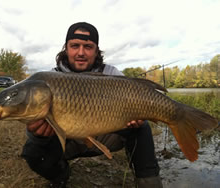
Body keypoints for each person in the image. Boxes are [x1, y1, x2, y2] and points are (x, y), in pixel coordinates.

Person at [21, 22, 163, 188]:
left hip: (106, 136)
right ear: (66, 49)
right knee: (33, 150)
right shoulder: (51, 79)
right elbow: (33, 119)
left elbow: (135, 100)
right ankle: (60, 175)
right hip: (67, 141)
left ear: (96, 51)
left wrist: (137, 118)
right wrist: (38, 135)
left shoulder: (111, 74)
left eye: (88, 47)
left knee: (142, 127)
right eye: (75, 46)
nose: (81, 52)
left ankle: (149, 183)